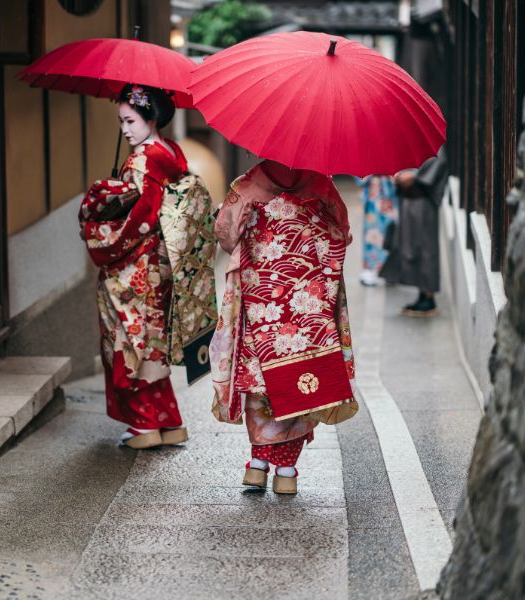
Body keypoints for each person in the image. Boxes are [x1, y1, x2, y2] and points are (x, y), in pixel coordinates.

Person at [78, 84, 216, 449]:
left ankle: (144, 425)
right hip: (164, 262)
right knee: (150, 341)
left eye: (130, 120)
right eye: (121, 121)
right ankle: (168, 422)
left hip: (137, 265)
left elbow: (141, 216)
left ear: (151, 117)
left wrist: (102, 234)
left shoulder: (142, 160)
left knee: (127, 339)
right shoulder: (171, 151)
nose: (124, 129)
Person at [209, 160, 358, 494]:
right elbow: (342, 233)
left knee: (261, 380)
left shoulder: (247, 187)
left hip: (262, 304)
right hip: (307, 310)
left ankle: (258, 466)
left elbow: (225, 234)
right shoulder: (322, 185)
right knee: (302, 379)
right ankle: (287, 470)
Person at [380, 148, 448, 316]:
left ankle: (429, 297)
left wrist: (415, 177)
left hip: (423, 203)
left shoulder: (435, 145)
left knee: (426, 248)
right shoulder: (412, 141)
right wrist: (397, 174)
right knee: (412, 247)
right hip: (409, 201)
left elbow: (438, 165)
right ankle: (422, 294)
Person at [357, 176, 398, 286]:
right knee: (371, 234)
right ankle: (370, 269)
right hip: (373, 192)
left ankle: (390, 269)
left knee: (390, 232)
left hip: (389, 192)